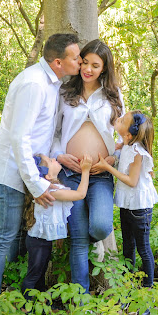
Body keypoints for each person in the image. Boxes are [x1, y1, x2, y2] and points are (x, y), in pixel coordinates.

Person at [0, 33, 82, 298]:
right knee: (4, 237)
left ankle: (14, 300)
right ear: (59, 62)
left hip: (32, 173)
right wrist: (37, 184)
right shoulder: (34, 84)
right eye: (76, 57)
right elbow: (20, 136)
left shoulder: (53, 85)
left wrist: (57, 158)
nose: (81, 61)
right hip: (13, 174)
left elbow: (48, 132)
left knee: (19, 239)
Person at [50, 39, 124, 293]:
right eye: (85, 63)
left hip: (100, 175)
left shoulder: (113, 94)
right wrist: (60, 156)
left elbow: (125, 136)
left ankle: (101, 265)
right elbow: (55, 132)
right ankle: (81, 300)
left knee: (101, 226)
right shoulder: (65, 92)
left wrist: (112, 160)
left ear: (104, 68)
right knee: (78, 241)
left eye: (95, 65)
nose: (88, 69)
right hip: (71, 174)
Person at [97, 111, 158, 288]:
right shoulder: (126, 145)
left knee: (143, 249)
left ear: (129, 134)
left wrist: (107, 167)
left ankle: (147, 289)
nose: (118, 119)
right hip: (127, 205)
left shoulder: (137, 152)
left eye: (123, 120)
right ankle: (129, 284)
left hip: (140, 208)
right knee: (128, 246)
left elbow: (132, 181)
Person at [21, 153, 92, 299]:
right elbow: (80, 194)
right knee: (34, 274)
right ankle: (25, 306)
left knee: (41, 271)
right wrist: (86, 170)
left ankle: (38, 302)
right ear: (46, 176)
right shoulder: (51, 190)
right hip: (38, 241)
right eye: (51, 161)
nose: (55, 159)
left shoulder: (54, 187)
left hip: (42, 240)